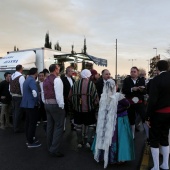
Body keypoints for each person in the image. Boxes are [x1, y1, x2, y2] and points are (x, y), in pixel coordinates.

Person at [93, 79, 135, 168]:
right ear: (114, 86)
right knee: (120, 138)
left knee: (105, 136)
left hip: (106, 121)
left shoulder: (103, 96)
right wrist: (118, 110)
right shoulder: (118, 96)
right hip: (119, 120)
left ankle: (103, 156)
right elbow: (127, 105)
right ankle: (119, 158)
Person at [146, 60, 170, 170]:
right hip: (169, 113)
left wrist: (147, 116)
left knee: (154, 139)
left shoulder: (155, 80)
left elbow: (152, 101)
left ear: (158, 68)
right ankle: (165, 164)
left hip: (157, 114)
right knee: (165, 137)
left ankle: (156, 166)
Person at [69, 69, 99, 148]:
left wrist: (75, 104)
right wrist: (95, 106)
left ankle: (79, 142)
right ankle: (88, 142)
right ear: (89, 75)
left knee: (78, 126)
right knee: (91, 125)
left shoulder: (75, 83)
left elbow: (70, 96)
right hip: (89, 110)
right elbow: (95, 98)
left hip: (77, 110)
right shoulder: (91, 84)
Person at [43, 64, 65, 157]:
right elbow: (59, 95)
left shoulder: (46, 79)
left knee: (50, 126)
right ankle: (54, 149)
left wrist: (45, 102)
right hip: (55, 105)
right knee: (59, 126)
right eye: (58, 68)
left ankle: (50, 146)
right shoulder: (57, 79)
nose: (59, 69)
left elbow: (43, 93)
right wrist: (62, 106)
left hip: (47, 104)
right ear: (56, 69)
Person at [122, 66, 147, 139]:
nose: (132, 73)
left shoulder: (142, 80)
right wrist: (132, 89)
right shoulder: (127, 80)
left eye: (134, 72)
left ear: (138, 72)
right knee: (131, 118)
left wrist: (141, 90)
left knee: (144, 117)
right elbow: (124, 90)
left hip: (139, 102)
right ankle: (132, 135)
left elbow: (145, 91)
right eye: (131, 72)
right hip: (130, 103)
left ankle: (147, 134)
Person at [20, 68, 41, 148]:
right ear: (35, 73)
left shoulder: (26, 79)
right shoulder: (32, 80)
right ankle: (30, 142)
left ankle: (29, 138)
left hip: (26, 104)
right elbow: (35, 92)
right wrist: (37, 101)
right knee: (32, 123)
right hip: (32, 104)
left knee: (28, 122)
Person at [10, 64, 25, 133]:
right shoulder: (21, 77)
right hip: (19, 96)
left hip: (13, 96)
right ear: (21, 69)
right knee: (18, 112)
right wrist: (24, 96)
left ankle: (14, 127)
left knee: (14, 112)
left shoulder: (12, 76)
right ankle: (17, 128)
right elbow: (22, 88)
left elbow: (10, 86)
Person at [61, 66, 75, 131]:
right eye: (71, 71)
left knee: (72, 113)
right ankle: (63, 127)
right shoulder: (63, 79)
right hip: (65, 98)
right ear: (68, 71)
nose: (72, 72)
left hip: (72, 99)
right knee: (64, 113)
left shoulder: (73, 79)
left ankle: (72, 125)